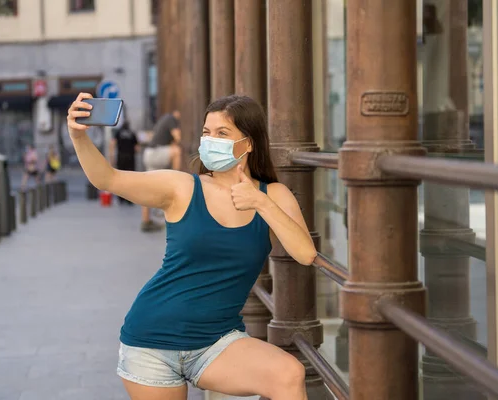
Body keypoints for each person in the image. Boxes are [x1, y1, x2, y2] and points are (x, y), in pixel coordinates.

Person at [67, 93, 316, 400]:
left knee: (289, 374)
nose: (211, 141)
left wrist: (261, 203)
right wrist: (79, 137)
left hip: (217, 342)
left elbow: (305, 254)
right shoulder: (182, 187)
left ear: (249, 143)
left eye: (222, 133)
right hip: (152, 340)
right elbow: (108, 178)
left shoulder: (273, 195)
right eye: (206, 133)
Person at [140, 110, 182, 232]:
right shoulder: (172, 119)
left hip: (149, 154)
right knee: (176, 151)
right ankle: (177, 178)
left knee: (147, 190)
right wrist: (174, 144)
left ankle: (146, 221)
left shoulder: (163, 120)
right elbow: (178, 136)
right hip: (155, 154)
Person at [109, 120, 139, 205]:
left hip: (121, 157)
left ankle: (121, 198)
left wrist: (112, 157)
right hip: (130, 158)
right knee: (131, 178)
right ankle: (130, 199)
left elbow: (112, 144)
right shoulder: (132, 133)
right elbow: (137, 148)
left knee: (120, 177)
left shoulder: (118, 133)